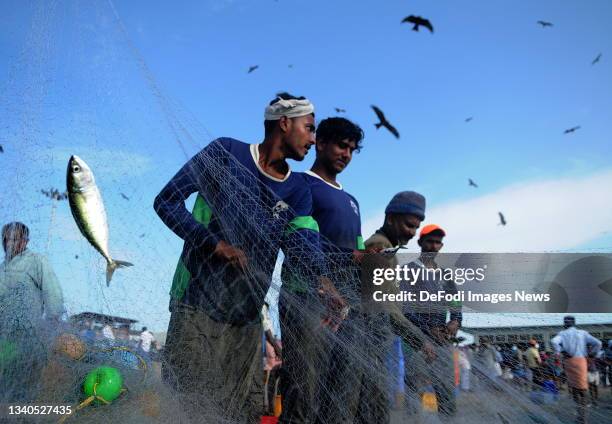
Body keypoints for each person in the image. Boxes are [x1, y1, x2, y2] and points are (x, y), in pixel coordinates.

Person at [154, 92, 335, 423]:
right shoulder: (226, 153)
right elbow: (166, 202)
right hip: (197, 308)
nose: (313, 139)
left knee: (243, 414)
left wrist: (322, 281)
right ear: (285, 123)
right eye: (309, 128)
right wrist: (214, 244)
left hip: (247, 321)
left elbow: (304, 245)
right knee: (189, 409)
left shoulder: (298, 190)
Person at [278, 116, 365, 424]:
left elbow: (359, 253)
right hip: (307, 299)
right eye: (342, 146)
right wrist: (347, 258)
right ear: (321, 143)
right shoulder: (301, 184)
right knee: (304, 393)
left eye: (352, 149)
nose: (347, 154)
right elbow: (297, 242)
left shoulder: (352, 201)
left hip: (345, 308)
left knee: (338, 397)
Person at [318, 191, 428, 423]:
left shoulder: (385, 248)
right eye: (409, 225)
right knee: (365, 411)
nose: (412, 232)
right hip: (366, 346)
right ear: (390, 218)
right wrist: (419, 338)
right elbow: (385, 305)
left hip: (370, 346)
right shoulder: (379, 248)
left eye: (416, 228)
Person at [0, 222, 65, 401]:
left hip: (26, 337)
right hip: (3, 337)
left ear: (25, 242)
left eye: (14, 239)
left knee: (21, 386)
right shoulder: (2, 268)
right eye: (5, 238)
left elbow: (53, 292)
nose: (9, 243)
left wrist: (54, 319)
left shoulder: (36, 260)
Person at [402, 223, 462, 417]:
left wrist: (455, 320)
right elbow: (405, 307)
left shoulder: (446, 275)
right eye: (430, 242)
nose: (434, 246)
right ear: (420, 243)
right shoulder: (408, 271)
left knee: (445, 392)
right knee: (414, 391)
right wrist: (428, 328)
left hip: (442, 341)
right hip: (416, 341)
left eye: (438, 243)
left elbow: (455, 303)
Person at [551, 316, 602, 424]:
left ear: (565, 324)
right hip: (581, 362)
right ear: (574, 323)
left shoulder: (562, 333)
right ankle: (583, 417)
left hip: (569, 361)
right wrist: (592, 353)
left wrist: (561, 351)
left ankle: (580, 416)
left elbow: (553, 341)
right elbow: (598, 343)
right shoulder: (582, 333)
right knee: (583, 390)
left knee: (574, 389)